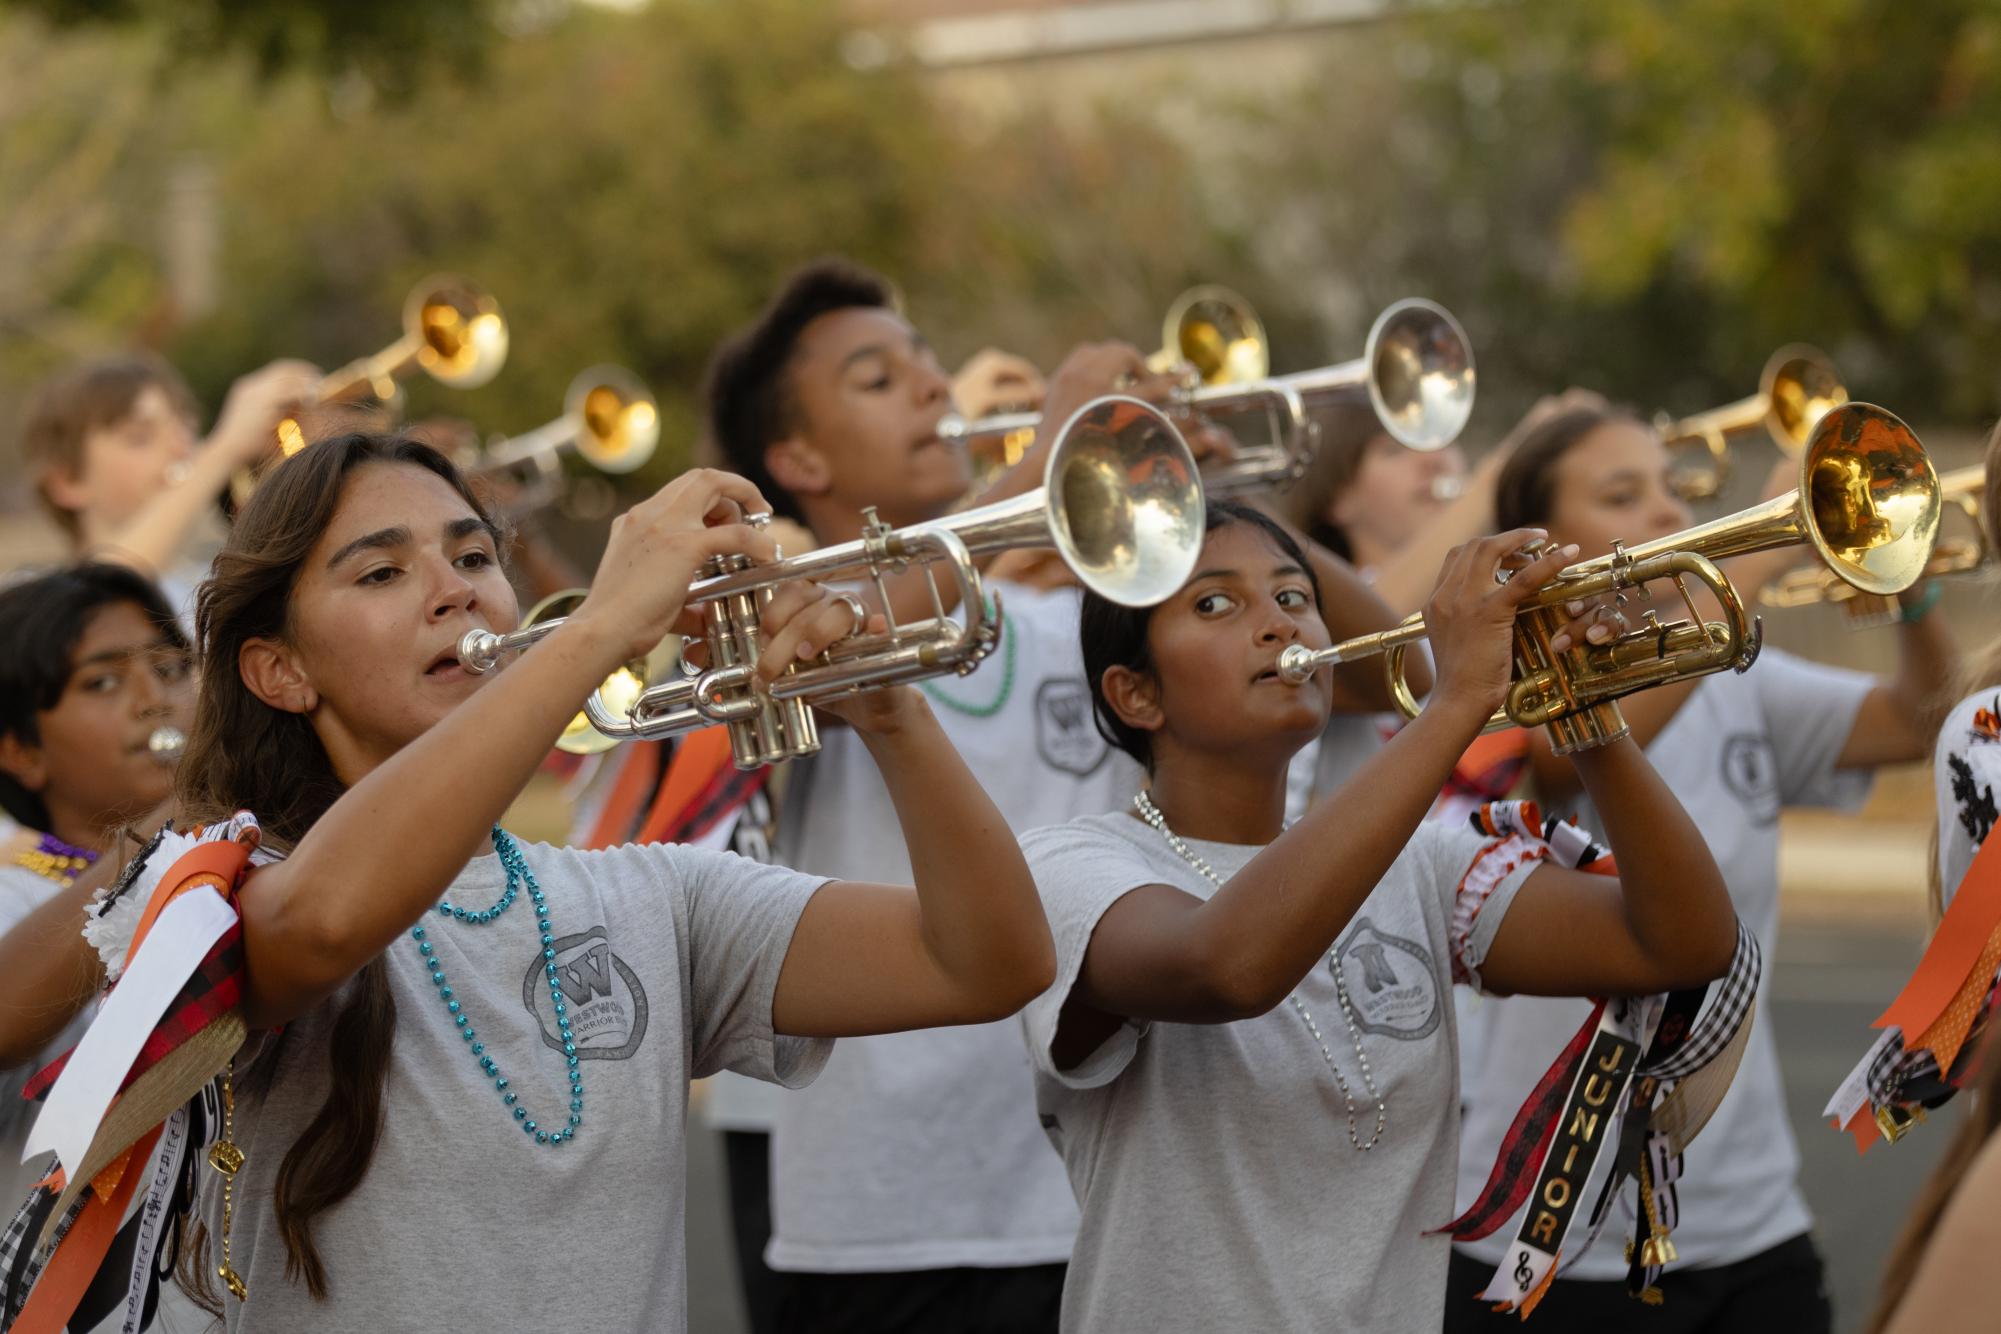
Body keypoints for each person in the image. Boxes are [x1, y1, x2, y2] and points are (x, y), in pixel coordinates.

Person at [0, 431, 1060, 1331]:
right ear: (281, 669)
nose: (453, 588)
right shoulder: (212, 887)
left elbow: (988, 959)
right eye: (381, 572)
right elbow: (323, 923)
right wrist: (601, 630)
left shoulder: (657, 897)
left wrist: (884, 703)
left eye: (472, 553)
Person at [703, 257, 1415, 1332]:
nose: (933, 388)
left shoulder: (1070, 620)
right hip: (885, 1213)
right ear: (795, 455)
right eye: (877, 377)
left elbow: (1378, 671)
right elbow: (821, 652)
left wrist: (1216, 507)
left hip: (1092, 1205)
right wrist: (1048, 462)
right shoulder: (787, 597)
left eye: (926, 360)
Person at [1015, 499, 1737, 1331]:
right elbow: (1226, 965)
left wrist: (1584, 712)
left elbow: (1681, 943)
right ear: (1135, 693)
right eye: (1214, 603)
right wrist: (1454, 703)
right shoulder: (1068, 867)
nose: (1274, 624)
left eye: (1292, 597)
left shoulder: (1423, 864)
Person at [1446, 402, 1958, 1331]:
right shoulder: (1515, 695)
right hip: (1557, 1231)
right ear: (1541, 547)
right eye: (1620, 493)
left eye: (1669, 490)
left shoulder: (1741, 678)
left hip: (1750, 1215)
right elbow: (1565, 761)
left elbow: (1921, 719)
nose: (1663, 513)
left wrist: (1908, 592)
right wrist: (1766, 546)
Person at [0, 563, 194, 1202]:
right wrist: (193, 803)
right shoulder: (15, 889)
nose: (154, 699)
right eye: (103, 682)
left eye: (170, 669)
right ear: (20, 752)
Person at [17, 352, 320, 619]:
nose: (180, 448)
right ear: (68, 480)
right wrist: (224, 449)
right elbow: (104, 593)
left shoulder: (223, 584)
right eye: (140, 437)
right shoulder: (27, 599)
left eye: (184, 428)